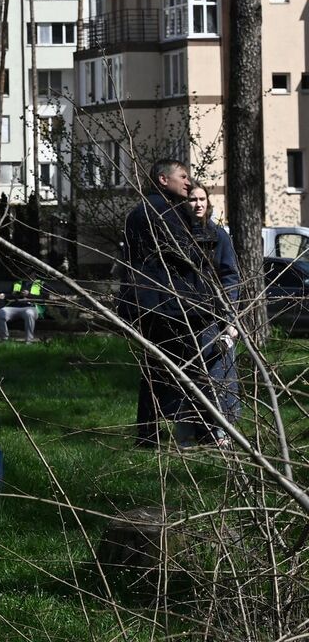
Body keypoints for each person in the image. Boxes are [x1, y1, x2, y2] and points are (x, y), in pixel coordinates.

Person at [119, 160, 239, 450]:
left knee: (155, 371)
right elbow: (185, 257)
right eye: (182, 177)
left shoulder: (139, 213)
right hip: (175, 307)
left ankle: (148, 435)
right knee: (197, 370)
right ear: (163, 179)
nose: (187, 183)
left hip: (147, 304)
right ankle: (208, 433)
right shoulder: (167, 213)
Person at [187, 182, 240, 431]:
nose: (197, 204)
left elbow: (230, 276)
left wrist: (229, 318)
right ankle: (192, 429)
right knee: (191, 376)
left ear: (208, 203)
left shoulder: (218, 236)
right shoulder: (178, 235)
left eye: (201, 199)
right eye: (192, 199)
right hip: (185, 315)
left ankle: (223, 430)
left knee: (220, 373)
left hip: (214, 317)